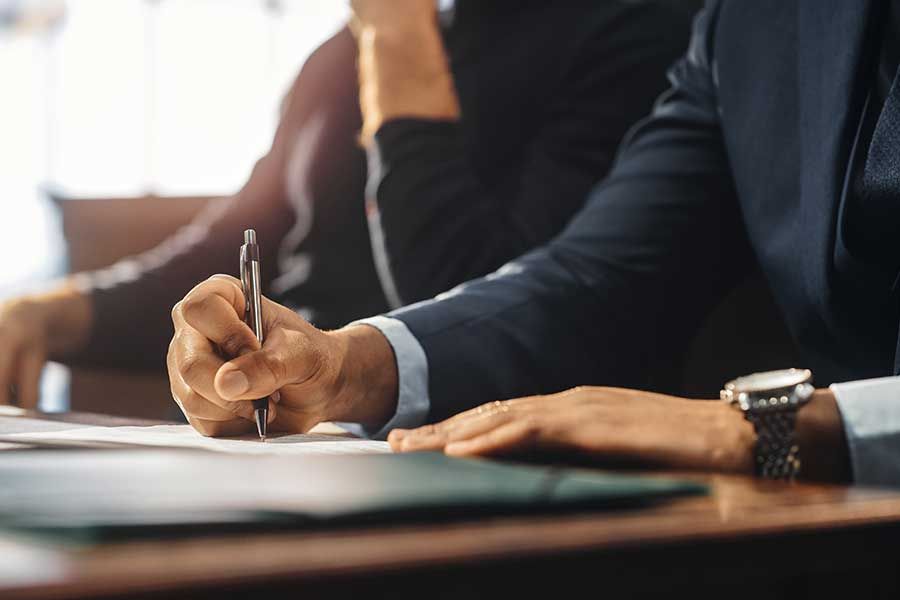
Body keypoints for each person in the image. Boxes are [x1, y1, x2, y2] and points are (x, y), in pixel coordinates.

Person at [169, 0, 900, 487]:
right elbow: (604, 275)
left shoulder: (630, 22)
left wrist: (785, 428)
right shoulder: (754, 20)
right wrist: (343, 367)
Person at [0, 0, 694, 409]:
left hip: (438, 439)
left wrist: (399, 41)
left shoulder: (632, 29)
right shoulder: (339, 54)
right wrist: (58, 311)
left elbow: (485, 313)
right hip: (290, 427)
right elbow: (234, 249)